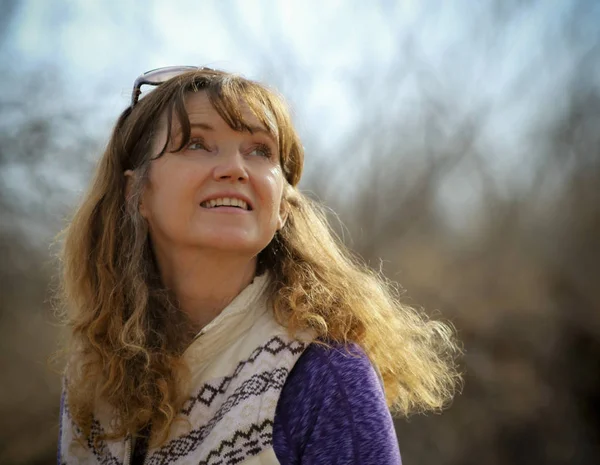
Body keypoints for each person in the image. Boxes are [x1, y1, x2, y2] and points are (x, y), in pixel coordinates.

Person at [56, 66, 460, 464]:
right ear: (136, 192)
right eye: (197, 144)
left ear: (283, 206)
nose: (235, 168)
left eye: (260, 151)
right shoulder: (93, 372)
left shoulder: (325, 374)